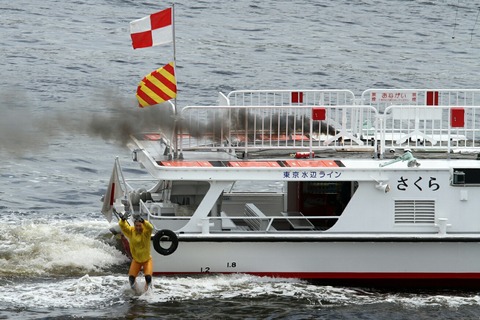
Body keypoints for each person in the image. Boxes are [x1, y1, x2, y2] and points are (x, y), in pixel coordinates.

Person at [118, 212, 154, 291]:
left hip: (146, 260)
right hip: (136, 260)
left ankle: (148, 292)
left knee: (148, 277)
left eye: (139, 226)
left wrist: (144, 221)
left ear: (142, 225)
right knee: (131, 279)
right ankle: (136, 292)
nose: (138, 227)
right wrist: (123, 220)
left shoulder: (146, 233)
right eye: (136, 225)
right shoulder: (131, 232)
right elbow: (124, 227)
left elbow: (150, 227)